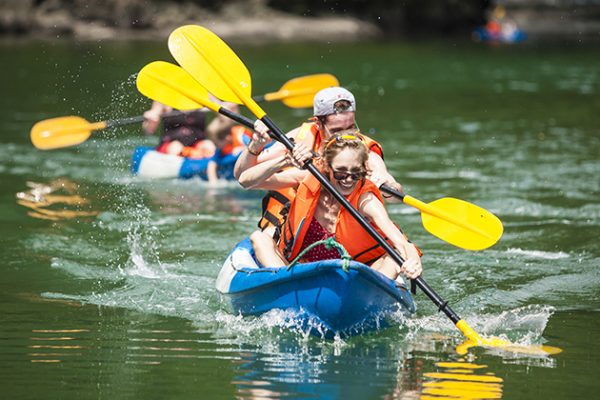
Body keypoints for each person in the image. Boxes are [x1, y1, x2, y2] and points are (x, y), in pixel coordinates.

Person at [242, 131, 422, 281]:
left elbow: (400, 242)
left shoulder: (365, 199)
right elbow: (246, 181)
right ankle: (284, 285)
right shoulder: (309, 178)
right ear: (327, 167)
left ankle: (368, 298)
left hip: (352, 276)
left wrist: (413, 261)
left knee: (393, 258)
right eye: (341, 173)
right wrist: (285, 162)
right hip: (300, 271)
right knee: (259, 238)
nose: (349, 180)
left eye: (356, 173)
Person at [234, 86, 403, 239]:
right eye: (337, 130)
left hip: (343, 230)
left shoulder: (363, 149)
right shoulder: (298, 139)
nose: (344, 136)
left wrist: (389, 187)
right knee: (267, 234)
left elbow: (393, 192)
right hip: (294, 224)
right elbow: (242, 175)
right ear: (318, 123)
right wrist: (255, 146)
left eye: (350, 127)